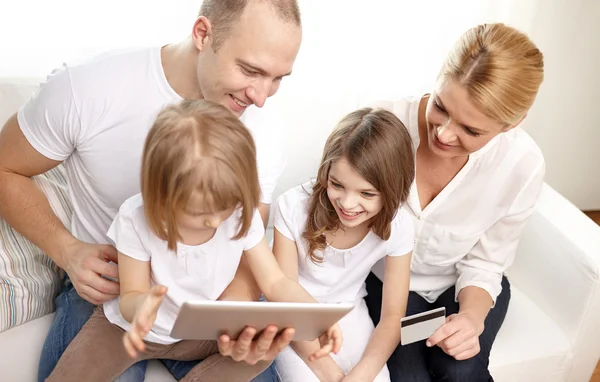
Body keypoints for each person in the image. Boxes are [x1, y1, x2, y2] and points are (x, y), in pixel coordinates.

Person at [0, 0, 302, 380]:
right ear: (203, 34)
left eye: (278, 78)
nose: (261, 96)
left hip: (208, 300)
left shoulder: (267, 126)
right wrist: (68, 250)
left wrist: (233, 315)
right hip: (112, 288)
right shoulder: (89, 88)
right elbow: (4, 167)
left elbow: (248, 242)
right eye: (251, 71)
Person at [46, 99, 341, 382]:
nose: (215, 221)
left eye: (226, 207)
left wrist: (318, 319)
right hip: (130, 331)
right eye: (200, 213)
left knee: (264, 349)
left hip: (200, 333)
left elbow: (275, 282)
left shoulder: (241, 214)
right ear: (160, 196)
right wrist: (141, 307)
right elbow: (131, 295)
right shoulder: (136, 218)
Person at [363, 23, 546, 382]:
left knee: (460, 369)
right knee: (410, 377)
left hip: (463, 285)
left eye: (471, 130)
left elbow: (486, 263)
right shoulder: (381, 125)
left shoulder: (522, 164)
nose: (444, 134)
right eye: (440, 106)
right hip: (387, 285)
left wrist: (471, 319)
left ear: (513, 124)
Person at [272, 108, 416, 381]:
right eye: (337, 185)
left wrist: (361, 375)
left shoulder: (401, 225)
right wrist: (331, 374)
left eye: (366, 193)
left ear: (393, 190)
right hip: (295, 317)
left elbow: (393, 316)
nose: (348, 204)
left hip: (350, 312)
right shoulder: (292, 207)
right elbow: (283, 297)